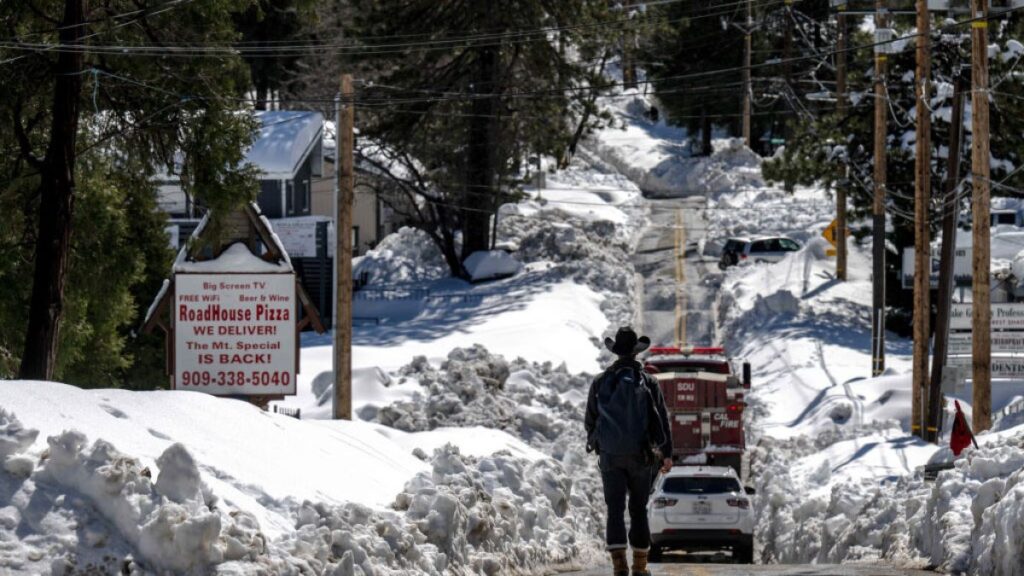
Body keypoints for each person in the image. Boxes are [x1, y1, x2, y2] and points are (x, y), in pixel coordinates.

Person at [585, 327, 673, 576]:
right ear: (636, 353)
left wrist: (599, 443)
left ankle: (619, 565)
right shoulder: (649, 382)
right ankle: (639, 566)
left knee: (614, 509)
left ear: (615, 352)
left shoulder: (600, 382)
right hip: (641, 456)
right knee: (638, 509)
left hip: (611, 456)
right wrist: (666, 453)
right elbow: (662, 420)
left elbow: (589, 421)